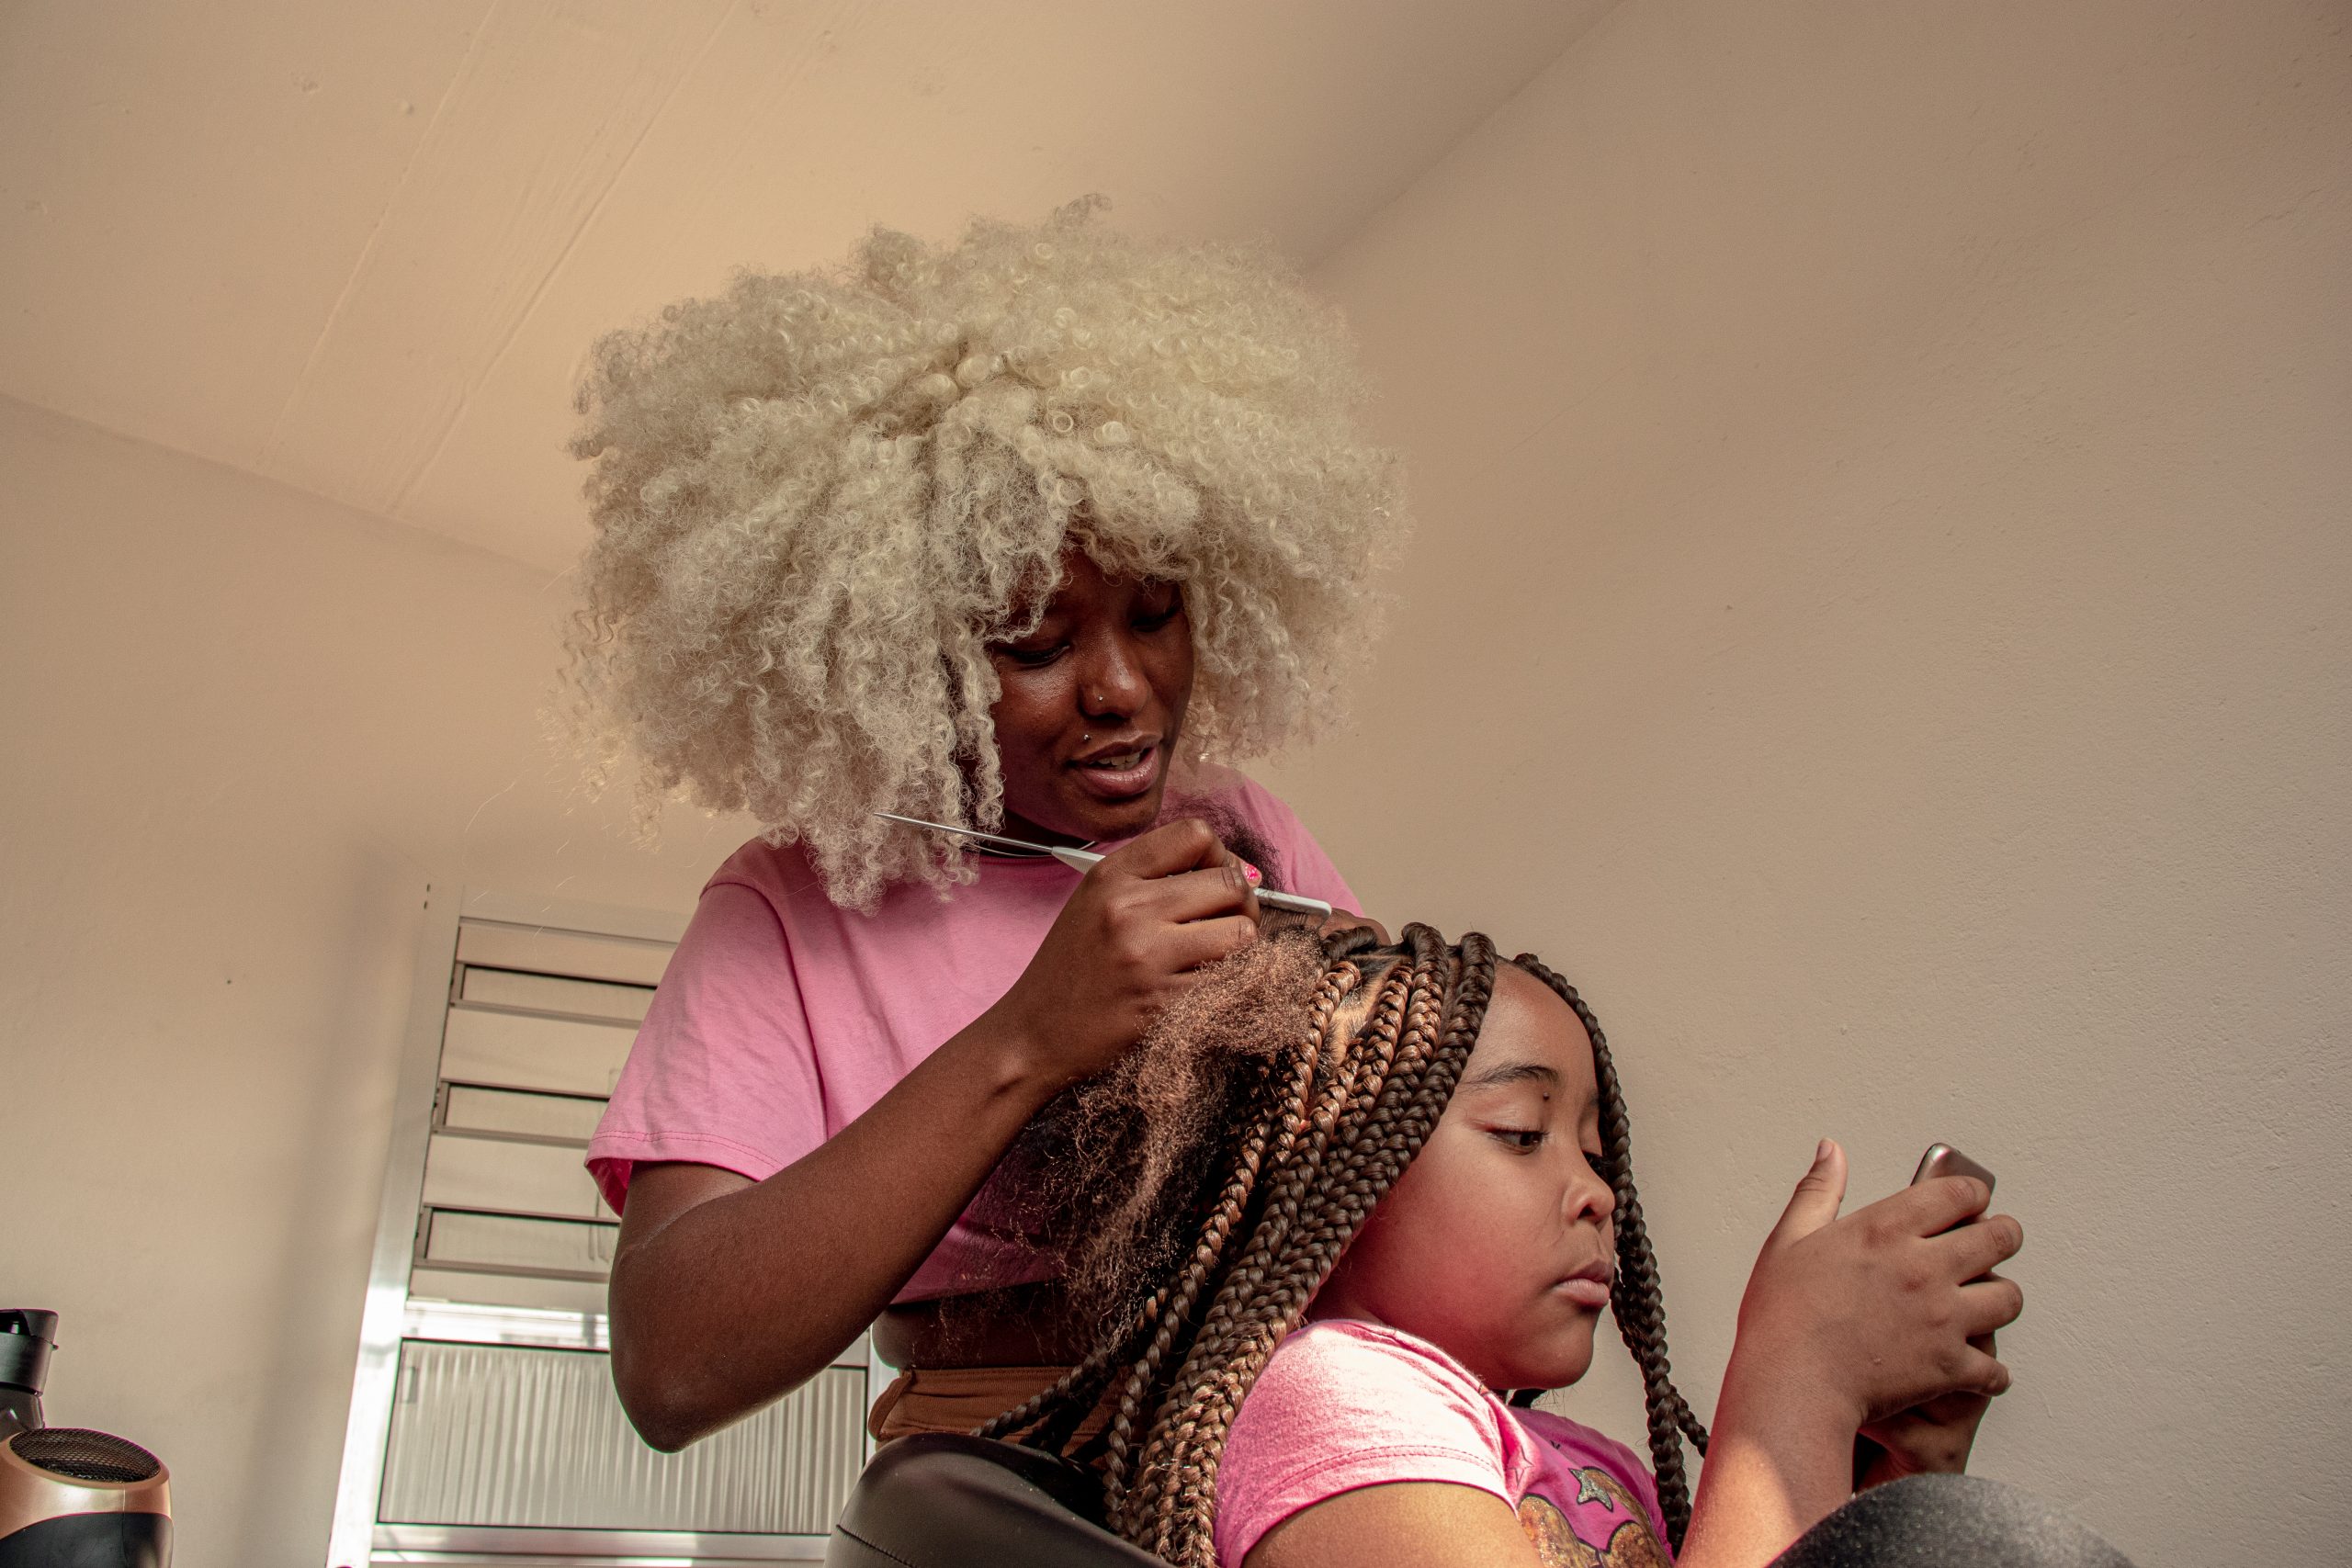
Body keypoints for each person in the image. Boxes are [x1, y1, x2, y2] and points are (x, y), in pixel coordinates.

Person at [565, 198, 1404, 1450]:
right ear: (902, 658)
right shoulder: (788, 908)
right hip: (1000, 1460)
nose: (1123, 689)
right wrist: (1030, 1036)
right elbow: (671, 1364)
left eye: (1157, 613)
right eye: (1037, 643)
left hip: (1311, 1426)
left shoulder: (1244, 831)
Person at [989, 925, 2133, 1568]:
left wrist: (1892, 1466)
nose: (1595, 1193)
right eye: (1521, 1132)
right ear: (1330, 1177)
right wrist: (1797, 1379)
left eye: (1594, 1149)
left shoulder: (1582, 1464)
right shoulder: (1329, 1399)